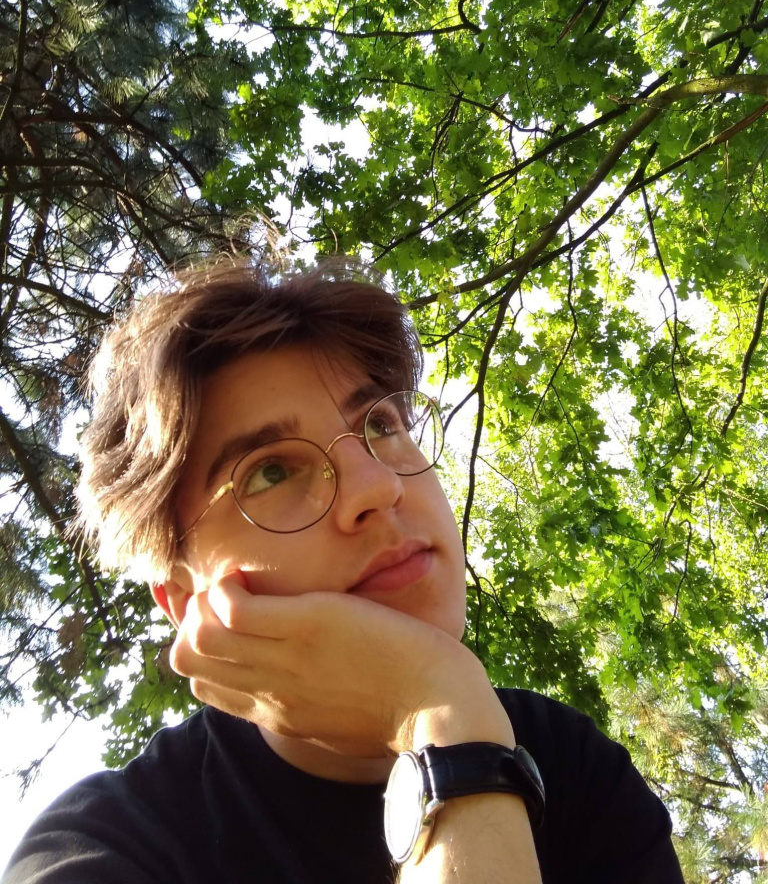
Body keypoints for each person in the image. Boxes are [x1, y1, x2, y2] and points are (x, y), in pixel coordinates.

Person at [3, 257, 684, 884]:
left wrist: (446, 713)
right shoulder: (112, 844)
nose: (378, 487)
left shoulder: (574, 767)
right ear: (185, 602)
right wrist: (443, 725)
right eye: (272, 471)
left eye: (381, 425)